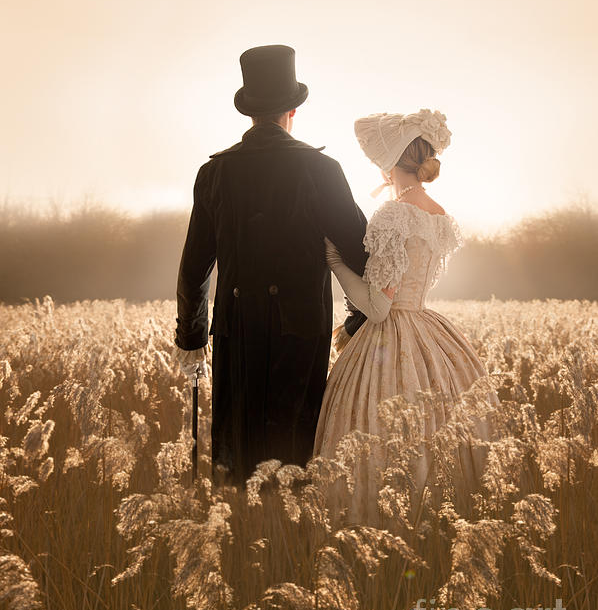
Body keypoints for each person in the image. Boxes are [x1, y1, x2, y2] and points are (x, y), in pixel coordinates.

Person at [172, 44, 368, 486]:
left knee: (235, 455)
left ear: (251, 112)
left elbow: (194, 266)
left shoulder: (214, 173)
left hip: (234, 328)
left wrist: (191, 336)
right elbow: (362, 252)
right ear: (292, 110)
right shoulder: (321, 169)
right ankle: (288, 545)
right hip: (300, 329)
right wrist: (359, 321)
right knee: (294, 453)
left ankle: (237, 542)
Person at [312, 110, 498, 525]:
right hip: (430, 332)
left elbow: (378, 307)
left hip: (390, 333)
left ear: (389, 160)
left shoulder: (394, 214)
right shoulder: (438, 213)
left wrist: (335, 263)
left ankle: (379, 528)